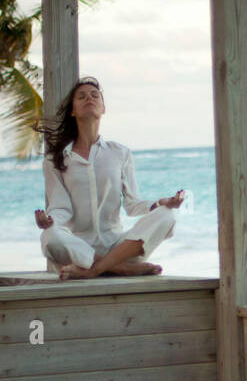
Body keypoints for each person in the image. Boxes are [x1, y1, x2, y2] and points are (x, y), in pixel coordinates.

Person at [34, 77, 185, 279]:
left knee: (167, 215)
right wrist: (50, 220)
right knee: (49, 237)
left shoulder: (120, 153)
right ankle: (120, 269)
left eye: (95, 95)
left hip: (119, 248)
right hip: (81, 250)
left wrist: (160, 203)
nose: (89, 98)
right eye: (81, 96)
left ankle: (96, 269)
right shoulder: (56, 160)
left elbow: (132, 205)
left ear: (103, 108)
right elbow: (61, 207)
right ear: (73, 110)